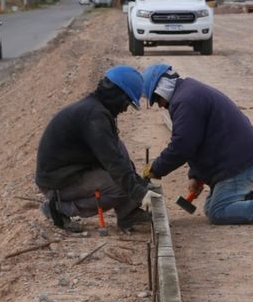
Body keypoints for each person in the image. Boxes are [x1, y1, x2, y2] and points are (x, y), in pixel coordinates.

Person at [140, 64, 253, 225]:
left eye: (157, 99)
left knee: (218, 212)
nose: (160, 105)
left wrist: (156, 169)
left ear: (162, 88)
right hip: (239, 158)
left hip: (242, 162)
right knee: (210, 207)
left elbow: (182, 146)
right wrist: (196, 176)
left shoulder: (185, 101)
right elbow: (197, 141)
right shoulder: (187, 93)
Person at [36, 65, 161, 232]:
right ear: (118, 95)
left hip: (73, 170)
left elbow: (116, 156)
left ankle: (128, 213)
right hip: (58, 180)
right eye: (127, 103)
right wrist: (139, 192)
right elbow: (112, 162)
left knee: (119, 151)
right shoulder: (94, 116)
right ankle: (59, 208)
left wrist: (138, 183)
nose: (125, 109)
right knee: (120, 187)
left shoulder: (96, 109)